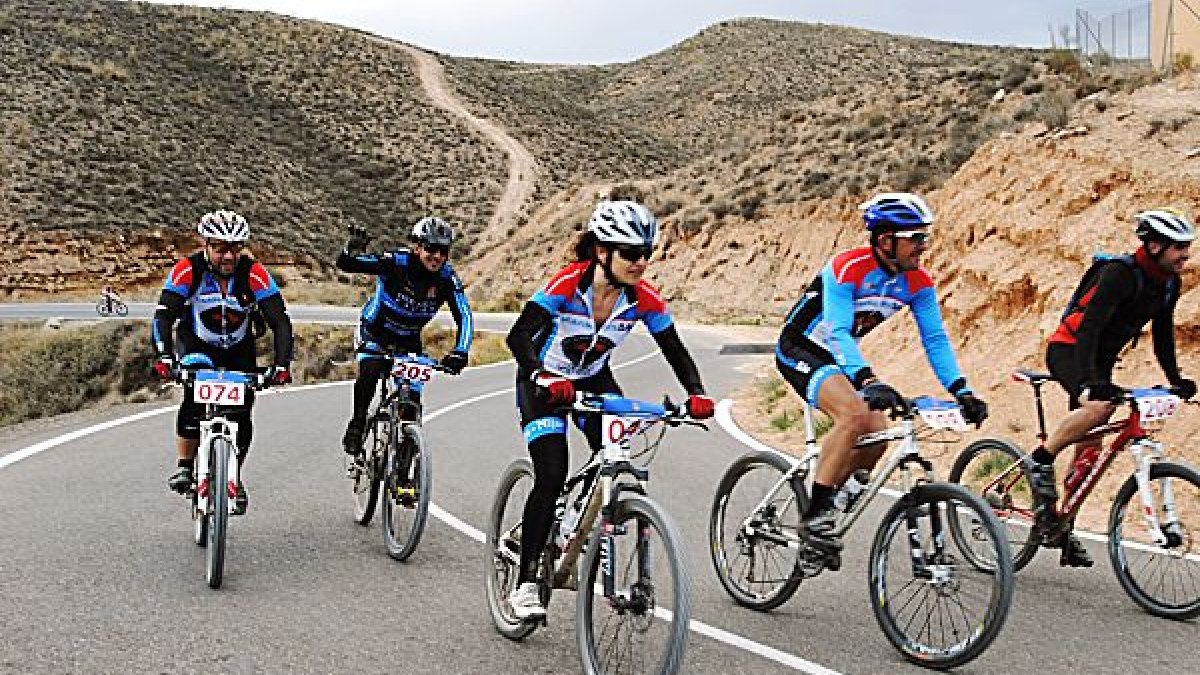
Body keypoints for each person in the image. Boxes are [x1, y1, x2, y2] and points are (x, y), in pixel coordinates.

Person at [503, 200, 716, 620]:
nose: (641, 263)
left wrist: (696, 392)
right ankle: (527, 583)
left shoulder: (644, 300)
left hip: (595, 381)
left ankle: (575, 523)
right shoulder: (567, 284)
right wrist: (541, 375)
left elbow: (673, 349)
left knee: (615, 458)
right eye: (632, 254)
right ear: (602, 252)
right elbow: (519, 336)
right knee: (551, 471)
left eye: (647, 254)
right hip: (544, 384)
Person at [775, 192, 988, 556]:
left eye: (925, 237)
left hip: (840, 358)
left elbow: (934, 338)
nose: (923, 246)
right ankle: (815, 515)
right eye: (915, 238)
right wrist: (868, 380)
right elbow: (839, 331)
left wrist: (961, 389)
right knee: (855, 415)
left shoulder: (917, 282)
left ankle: (842, 496)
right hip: (801, 348)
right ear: (885, 239)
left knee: (879, 433)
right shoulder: (847, 268)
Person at [1030, 208, 1196, 567]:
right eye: (1178, 248)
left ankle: (1062, 524)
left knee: (1092, 447)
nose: (1186, 255)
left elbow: (1163, 336)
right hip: (1069, 349)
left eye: (1188, 247)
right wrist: (1091, 381)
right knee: (1099, 408)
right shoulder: (1121, 273)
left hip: (1100, 359)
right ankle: (1041, 460)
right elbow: (1089, 328)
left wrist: (1175, 379)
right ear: (1153, 246)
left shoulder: (1168, 282)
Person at [151, 210, 294, 514]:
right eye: (220, 248)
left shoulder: (254, 274)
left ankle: (232, 474)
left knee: (243, 412)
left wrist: (282, 366)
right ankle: (185, 466)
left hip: (238, 348)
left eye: (235, 248)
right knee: (193, 395)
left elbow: (280, 322)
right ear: (206, 244)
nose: (229, 256)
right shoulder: (188, 270)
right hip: (197, 343)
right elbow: (163, 315)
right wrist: (165, 356)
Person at [338, 217, 473, 457]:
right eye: (430, 248)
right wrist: (353, 249)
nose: (437, 256)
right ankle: (357, 425)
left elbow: (464, 315)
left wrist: (461, 351)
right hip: (375, 332)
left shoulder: (447, 279)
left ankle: (405, 473)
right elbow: (347, 264)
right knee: (370, 370)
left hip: (409, 340)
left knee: (411, 404)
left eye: (443, 251)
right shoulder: (396, 263)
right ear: (417, 247)